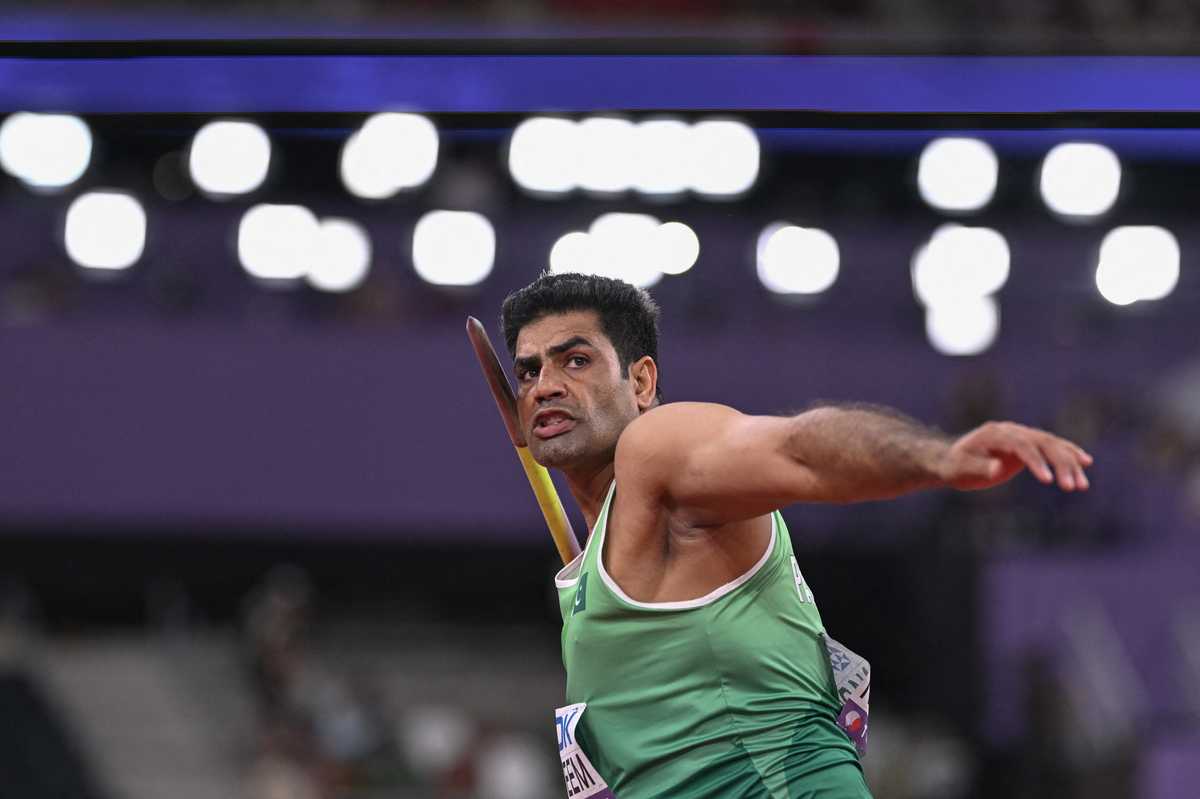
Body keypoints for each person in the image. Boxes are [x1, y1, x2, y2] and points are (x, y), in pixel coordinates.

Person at [498, 272, 1092, 799]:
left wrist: (937, 457)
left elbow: (800, 449)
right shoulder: (597, 565)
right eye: (529, 371)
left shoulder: (659, 450)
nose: (545, 385)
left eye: (575, 361)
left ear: (642, 382)